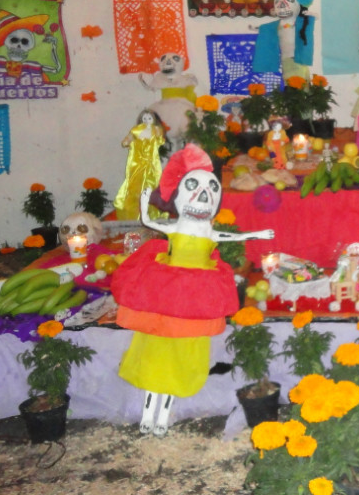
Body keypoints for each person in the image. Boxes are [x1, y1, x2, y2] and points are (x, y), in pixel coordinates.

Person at [110, 145, 273, 437]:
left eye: (211, 189)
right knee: (156, 353)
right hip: (168, 293)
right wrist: (145, 202)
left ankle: (161, 418)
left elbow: (229, 236)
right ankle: (148, 415)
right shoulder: (177, 227)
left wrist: (258, 234)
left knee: (180, 355)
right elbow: (149, 222)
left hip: (193, 296)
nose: (204, 194)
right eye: (195, 187)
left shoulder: (207, 230)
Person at [114, 110, 166, 221]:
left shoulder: (157, 130)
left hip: (152, 164)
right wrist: (128, 142)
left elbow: (160, 141)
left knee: (152, 185)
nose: (147, 121)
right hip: (138, 163)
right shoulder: (136, 130)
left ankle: (152, 213)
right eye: (144, 118)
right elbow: (126, 141)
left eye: (149, 118)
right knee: (136, 186)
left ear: (154, 119)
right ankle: (136, 214)